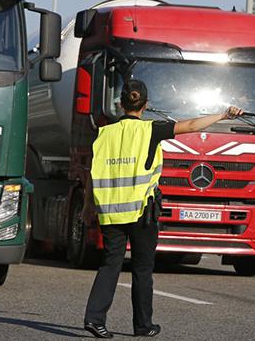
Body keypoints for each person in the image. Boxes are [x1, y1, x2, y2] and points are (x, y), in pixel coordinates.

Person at [83, 79, 243, 338]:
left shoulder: (103, 133)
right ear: (145, 105)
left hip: (111, 211)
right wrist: (224, 114)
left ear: (120, 104)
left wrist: (88, 206)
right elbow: (191, 125)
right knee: (142, 270)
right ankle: (143, 326)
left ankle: (94, 318)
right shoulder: (151, 130)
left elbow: (92, 172)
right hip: (142, 213)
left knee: (110, 265)